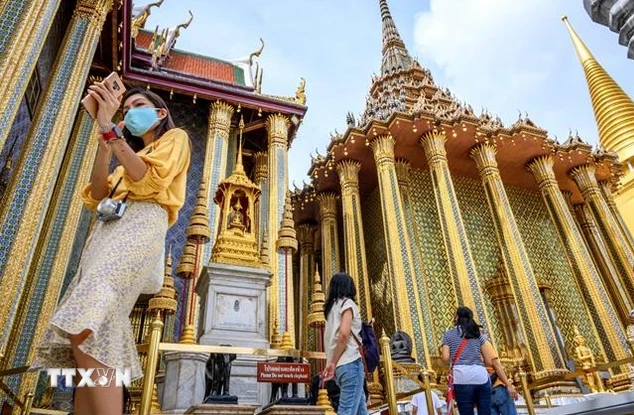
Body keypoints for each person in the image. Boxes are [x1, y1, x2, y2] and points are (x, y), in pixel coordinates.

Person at [32, 84, 191, 415]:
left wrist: (110, 129)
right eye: (126, 108)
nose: (130, 112)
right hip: (105, 236)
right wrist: (106, 144)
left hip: (141, 226)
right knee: (89, 330)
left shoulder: (175, 140)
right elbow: (97, 196)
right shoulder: (123, 161)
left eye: (138, 105)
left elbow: (150, 182)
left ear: (160, 113)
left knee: (89, 319)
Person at [322, 272, 368, 415]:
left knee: (361, 411)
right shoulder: (347, 304)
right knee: (347, 411)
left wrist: (333, 363)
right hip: (350, 363)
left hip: (341, 369)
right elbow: (343, 335)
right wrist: (333, 363)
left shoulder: (331, 310)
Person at [441, 306, 491, 415]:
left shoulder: (449, 334)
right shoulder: (477, 333)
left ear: (457, 317)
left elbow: (445, 358)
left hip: (462, 376)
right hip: (480, 375)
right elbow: (489, 361)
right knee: (485, 411)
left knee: (466, 411)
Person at [483, 344, 518, 415]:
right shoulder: (484, 343)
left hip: (484, 392)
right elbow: (496, 366)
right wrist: (509, 385)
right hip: (497, 388)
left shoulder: (470, 347)